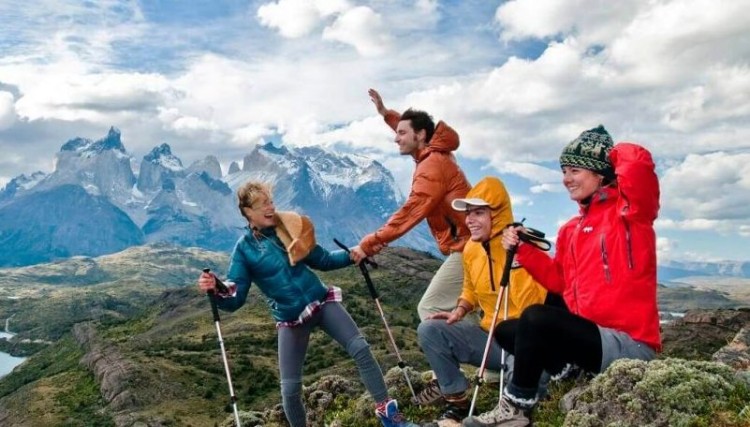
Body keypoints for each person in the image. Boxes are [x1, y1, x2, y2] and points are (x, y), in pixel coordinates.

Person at [463, 125, 661, 427]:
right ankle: (570, 371)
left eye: (575, 170)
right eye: (564, 170)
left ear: (600, 172)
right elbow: (559, 282)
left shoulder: (629, 213)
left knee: (535, 318)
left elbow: (638, 166)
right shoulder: (572, 229)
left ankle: (517, 408)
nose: (566, 178)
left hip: (630, 344)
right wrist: (525, 251)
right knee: (507, 331)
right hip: (590, 338)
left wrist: (609, 154)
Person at [197, 181, 417, 427]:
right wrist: (215, 287)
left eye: (271, 201)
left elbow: (322, 259)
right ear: (247, 212)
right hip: (291, 320)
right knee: (290, 390)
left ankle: (390, 417)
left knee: (361, 350)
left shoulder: (289, 227)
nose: (270, 207)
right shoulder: (244, 249)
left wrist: (353, 254)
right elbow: (235, 296)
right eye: (262, 205)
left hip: (320, 302)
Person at [416, 177, 548, 426]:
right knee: (430, 329)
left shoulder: (525, 249)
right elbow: (471, 289)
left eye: (478, 213)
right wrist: (461, 308)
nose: (469, 220)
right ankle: (456, 402)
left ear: (497, 215)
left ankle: (516, 406)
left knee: (524, 380)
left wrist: (518, 256)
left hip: (523, 342)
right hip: (489, 339)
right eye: (468, 214)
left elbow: (537, 303)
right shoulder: (471, 249)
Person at [351, 89, 472, 321]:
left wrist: (368, 244)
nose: (396, 138)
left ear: (421, 135)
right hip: (471, 244)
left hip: (467, 248)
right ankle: (486, 354)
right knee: (466, 312)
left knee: (430, 308)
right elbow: (411, 129)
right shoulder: (434, 151)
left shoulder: (431, 166)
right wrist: (386, 114)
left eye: (402, 133)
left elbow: (410, 213)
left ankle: (479, 355)